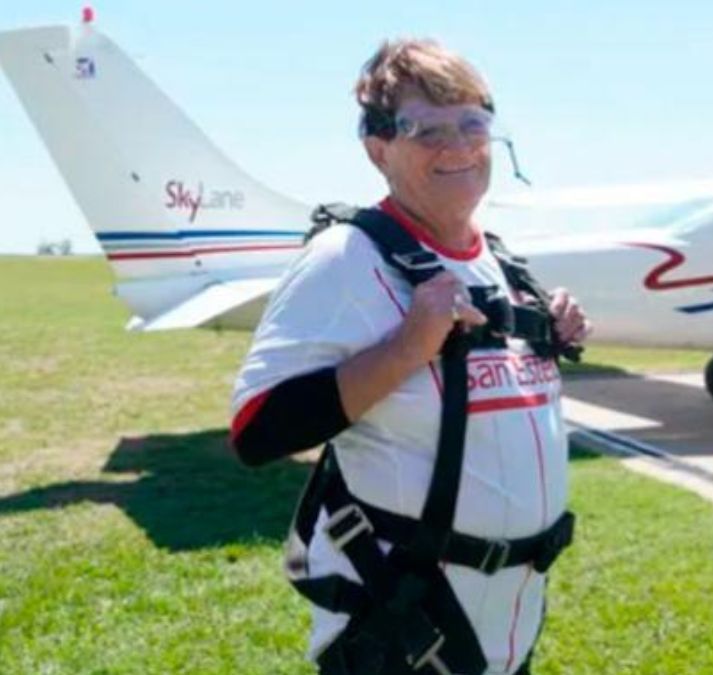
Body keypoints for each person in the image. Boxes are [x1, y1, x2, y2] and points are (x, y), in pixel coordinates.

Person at [229, 37, 589, 674]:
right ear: (378, 149)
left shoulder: (502, 263)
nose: (458, 146)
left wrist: (552, 330)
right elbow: (258, 432)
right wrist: (403, 350)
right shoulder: (346, 258)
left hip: (508, 628)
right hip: (402, 627)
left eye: (472, 123)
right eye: (426, 130)